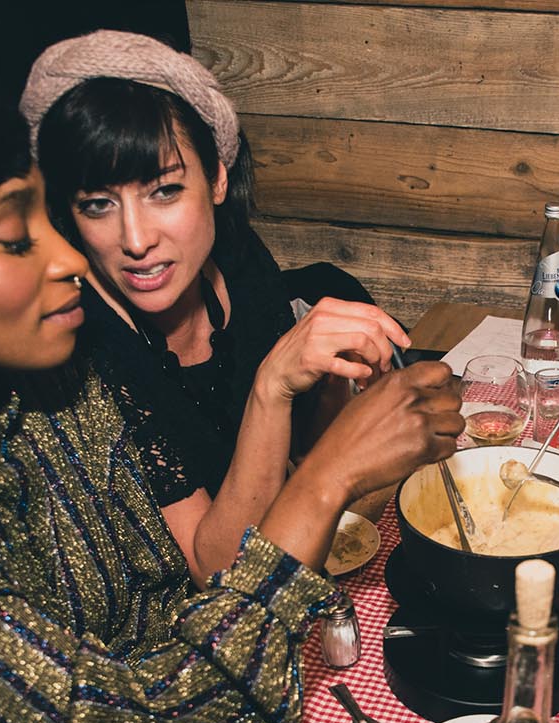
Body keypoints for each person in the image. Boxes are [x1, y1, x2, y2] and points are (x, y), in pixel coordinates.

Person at [0, 41, 463, 723]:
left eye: (43, 217)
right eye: (17, 240)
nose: (71, 258)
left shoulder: (43, 383)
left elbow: (175, 598)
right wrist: (328, 474)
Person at [20, 30, 401, 580]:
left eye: (164, 191)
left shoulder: (237, 261)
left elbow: (303, 462)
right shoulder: (89, 347)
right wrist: (272, 386)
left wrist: (336, 376)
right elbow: (217, 570)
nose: (135, 239)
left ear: (217, 178)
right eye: (99, 204)